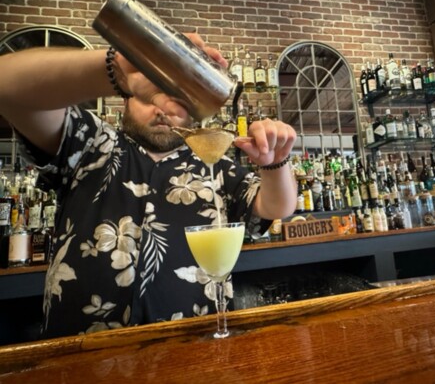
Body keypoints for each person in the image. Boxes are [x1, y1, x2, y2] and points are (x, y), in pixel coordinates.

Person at [0, 33, 297, 339]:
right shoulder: (91, 143)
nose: (163, 109)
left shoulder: (214, 165)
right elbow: (6, 84)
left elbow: (276, 207)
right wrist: (118, 68)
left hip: (195, 351)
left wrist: (276, 163)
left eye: (179, 100)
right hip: (80, 355)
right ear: (125, 97)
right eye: (149, 96)